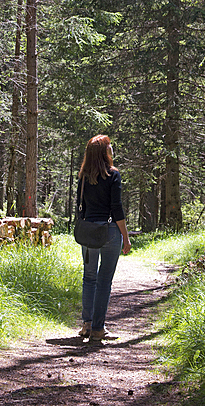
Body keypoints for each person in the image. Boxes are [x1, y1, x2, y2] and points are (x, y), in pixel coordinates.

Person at [76, 134, 131, 342]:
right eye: (110, 147)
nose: (112, 150)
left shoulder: (83, 176)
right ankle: (98, 329)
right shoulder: (113, 175)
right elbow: (116, 208)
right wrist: (125, 237)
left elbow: (80, 207)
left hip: (89, 233)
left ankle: (87, 325)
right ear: (103, 152)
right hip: (109, 232)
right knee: (104, 281)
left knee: (89, 278)